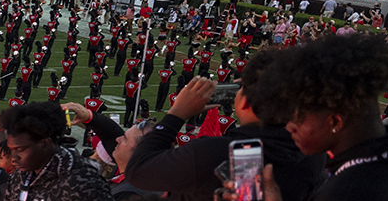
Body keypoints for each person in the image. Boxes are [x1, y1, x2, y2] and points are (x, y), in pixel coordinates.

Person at [125, 61, 323, 201]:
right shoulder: (313, 153)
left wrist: (177, 113)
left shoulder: (218, 152)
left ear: (245, 102)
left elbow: (138, 171)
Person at [241, 33, 388, 200]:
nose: (289, 126)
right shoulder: (381, 163)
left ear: (335, 121)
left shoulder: (348, 191)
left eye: (297, 116)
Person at [0, 101, 110, 201]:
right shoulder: (20, 176)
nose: (14, 158)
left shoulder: (84, 182)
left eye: (20, 150)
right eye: (11, 149)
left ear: (45, 143)